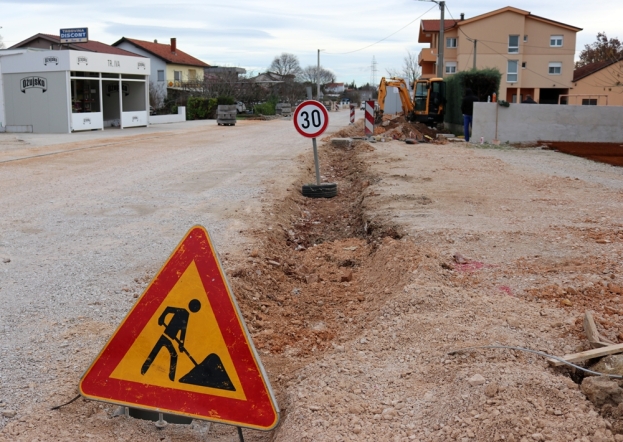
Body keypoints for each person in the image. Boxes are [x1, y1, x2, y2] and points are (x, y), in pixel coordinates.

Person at [141, 299, 202, 381]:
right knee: (170, 355)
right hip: (166, 337)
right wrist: (161, 318)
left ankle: (144, 370)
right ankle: (170, 378)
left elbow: (183, 331)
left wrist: (181, 344)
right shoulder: (183, 312)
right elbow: (168, 309)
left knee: (155, 352)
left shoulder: (185, 314)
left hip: (167, 338)